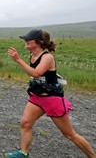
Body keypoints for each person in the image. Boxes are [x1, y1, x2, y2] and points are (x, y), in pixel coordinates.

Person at [5, 29, 96, 158]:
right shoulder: (32, 55)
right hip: (37, 97)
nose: (25, 41)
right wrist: (21, 61)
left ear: (38, 42)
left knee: (69, 134)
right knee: (25, 123)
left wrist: (18, 60)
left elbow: (36, 73)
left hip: (52, 99)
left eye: (28, 40)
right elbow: (32, 72)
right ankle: (23, 153)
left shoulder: (47, 57)